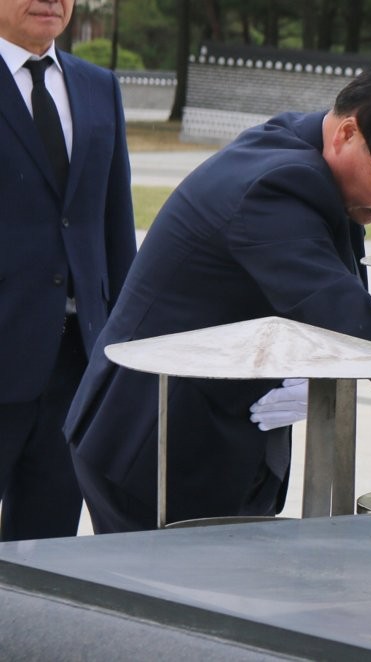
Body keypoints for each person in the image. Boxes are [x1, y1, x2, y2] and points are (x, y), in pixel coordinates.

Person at [65, 58, 371, 534]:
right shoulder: (275, 182)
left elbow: (329, 295)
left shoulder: (319, 162)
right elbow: (341, 308)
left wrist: (315, 370)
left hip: (230, 428)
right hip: (154, 441)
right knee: (172, 612)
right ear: (348, 132)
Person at [0, 0, 136, 541]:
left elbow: (114, 224)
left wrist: (125, 346)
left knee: (46, 542)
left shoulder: (99, 86)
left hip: (78, 363)